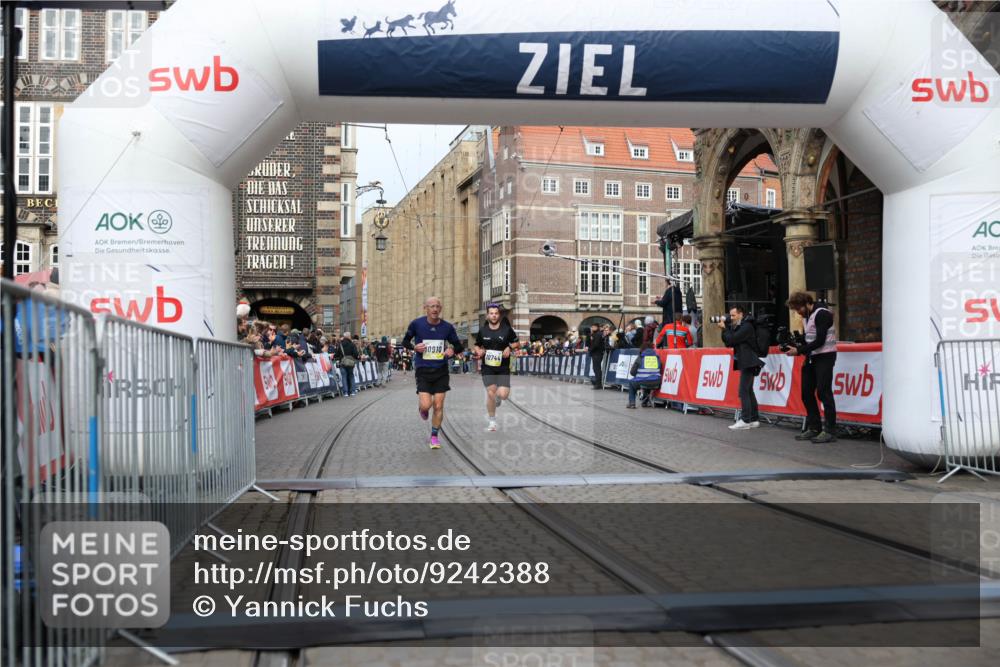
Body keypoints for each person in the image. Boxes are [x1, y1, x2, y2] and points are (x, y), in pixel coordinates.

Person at [403, 296, 464, 450]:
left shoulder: (447, 327)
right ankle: (422, 409)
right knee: (426, 405)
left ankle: (434, 436)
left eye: (437, 306)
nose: (435, 309)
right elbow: (405, 342)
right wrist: (414, 347)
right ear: (426, 308)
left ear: (440, 308)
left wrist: (452, 349)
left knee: (438, 405)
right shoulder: (417, 324)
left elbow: (458, 345)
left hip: (441, 371)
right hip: (423, 369)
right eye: (432, 306)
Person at [786, 292, 838, 443]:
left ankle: (830, 430)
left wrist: (799, 350)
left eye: (798, 308)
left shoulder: (822, 314)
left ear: (806, 303)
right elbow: (810, 338)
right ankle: (814, 427)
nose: (798, 312)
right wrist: (796, 342)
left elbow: (820, 340)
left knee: (823, 391)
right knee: (806, 392)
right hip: (812, 357)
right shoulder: (807, 316)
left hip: (825, 356)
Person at [474, 304, 519, 432]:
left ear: (499, 315)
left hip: (503, 367)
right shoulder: (483, 331)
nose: (494, 315)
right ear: (487, 315)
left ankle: (499, 397)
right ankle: (492, 422)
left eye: (496, 313)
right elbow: (477, 345)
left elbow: (517, 343)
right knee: (491, 393)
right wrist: (479, 351)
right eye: (491, 313)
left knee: (503, 395)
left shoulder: (507, 329)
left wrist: (509, 347)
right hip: (488, 367)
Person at [719, 306, 763, 430]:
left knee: (743, 390)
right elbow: (728, 342)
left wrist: (724, 329)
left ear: (741, 314)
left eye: (733, 315)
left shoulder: (747, 326)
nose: (731, 318)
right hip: (746, 360)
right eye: (730, 315)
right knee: (748, 390)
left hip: (749, 361)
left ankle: (745, 420)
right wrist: (725, 329)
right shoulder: (741, 326)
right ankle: (754, 419)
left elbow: (732, 339)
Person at [626, 339, 663, 409]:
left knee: (632, 382)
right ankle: (645, 402)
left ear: (642, 349)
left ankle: (632, 403)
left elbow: (632, 372)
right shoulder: (657, 358)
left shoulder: (640, 357)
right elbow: (660, 370)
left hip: (643, 382)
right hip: (657, 383)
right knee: (648, 380)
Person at [335, 331, 359, 397]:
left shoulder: (340, 344)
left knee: (344, 377)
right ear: (348, 336)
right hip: (351, 363)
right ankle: (352, 391)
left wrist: (338, 358)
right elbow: (356, 354)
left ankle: (345, 392)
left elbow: (336, 354)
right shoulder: (352, 344)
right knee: (351, 376)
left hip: (342, 363)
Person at [588, 324, 606, 390]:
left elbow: (596, 344)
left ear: (597, 327)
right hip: (595, 353)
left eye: (593, 327)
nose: (592, 328)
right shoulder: (595, 334)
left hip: (597, 353)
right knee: (596, 368)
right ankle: (598, 383)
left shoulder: (598, 334)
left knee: (597, 369)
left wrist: (590, 349)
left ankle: (598, 384)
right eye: (591, 327)